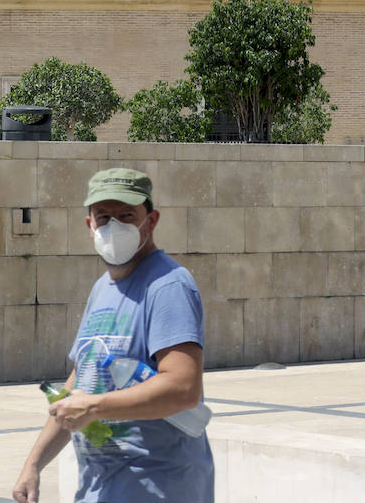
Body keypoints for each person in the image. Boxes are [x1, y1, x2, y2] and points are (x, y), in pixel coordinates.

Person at [12, 167, 214, 503]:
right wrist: (33, 464)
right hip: (100, 488)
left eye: (126, 215)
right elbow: (79, 385)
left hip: (157, 488)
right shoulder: (101, 290)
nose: (113, 226)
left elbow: (183, 388)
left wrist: (94, 408)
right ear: (89, 224)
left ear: (150, 221)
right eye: (103, 216)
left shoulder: (168, 286)